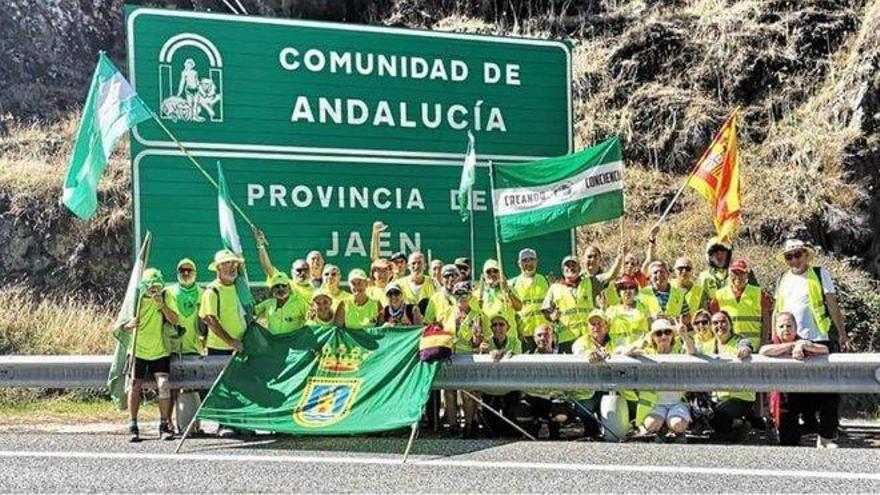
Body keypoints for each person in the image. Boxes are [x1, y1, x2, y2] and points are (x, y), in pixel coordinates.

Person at [760, 312, 835, 448]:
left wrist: (804, 346)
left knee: (831, 396)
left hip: (807, 394)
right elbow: (764, 350)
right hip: (786, 398)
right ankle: (801, 430)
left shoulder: (804, 342)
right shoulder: (774, 345)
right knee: (788, 442)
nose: (785, 329)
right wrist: (792, 346)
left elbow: (825, 349)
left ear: (796, 328)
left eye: (789, 326)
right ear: (776, 330)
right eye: (781, 326)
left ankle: (825, 437)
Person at [125, 268, 179, 441]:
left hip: (160, 349)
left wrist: (161, 305)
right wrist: (129, 324)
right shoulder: (136, 298)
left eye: (157, 285)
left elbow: (174, 320)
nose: (153, 289)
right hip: (138, 349)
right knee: (134, 384)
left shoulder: (165, 297)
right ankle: (133, 424)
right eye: (150, 285)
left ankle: (164, 424)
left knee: (163, 384)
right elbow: (121, 324)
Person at [628, 317, 696, 443]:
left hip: (677, 402)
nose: (663, 336)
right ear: (653, 338)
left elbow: (692, 352)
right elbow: (627, 353)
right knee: (651, 425)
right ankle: (662, 427)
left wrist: (684, 336)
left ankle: (676, 430)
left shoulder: (679, 351)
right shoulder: (647, 352)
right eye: (658, 333)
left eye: (667, 332)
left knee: (678, 425)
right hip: (655, 404)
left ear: (672, 336)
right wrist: (642, 342)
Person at [773, 239, 848, 350]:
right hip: (789, 341)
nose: (794, 259)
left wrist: (842, 333)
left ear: (806, 254)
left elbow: (833, 305)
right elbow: (776, 311)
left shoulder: (820, 273)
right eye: (789, 257)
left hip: (816, 338)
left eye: (798, 255)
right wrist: (775, 338)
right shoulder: (782, 278)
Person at [163, 258, 204, 436]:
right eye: (182, 271)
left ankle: (196, 424)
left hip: (194, 345)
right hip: (172, 345)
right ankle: (169, 422)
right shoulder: (168, 292)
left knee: (196, 386)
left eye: (189, 270)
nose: (186, 273)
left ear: (195, 273)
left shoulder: (203, 293)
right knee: (172, 387)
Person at [441, 281, 487, 436]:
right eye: (457, 294)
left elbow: (479, 343)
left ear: (470, 295)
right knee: (449, 392)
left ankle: (468, 426)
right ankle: (452, 426)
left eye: (464, 294)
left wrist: (477, 337)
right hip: (450, 357)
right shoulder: (448, 312)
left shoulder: (477, 315)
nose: (461, 297)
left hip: (468, 357)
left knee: (467, 393)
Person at [707, 310, 755, 443]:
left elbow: (746, 344)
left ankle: (742, 425)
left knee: (715, 416)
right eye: (715, 323)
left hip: (741, 396)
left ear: (730, 324)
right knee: (707, 415)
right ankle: (736, 427)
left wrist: (745, 349)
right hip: (720, 396)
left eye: (723, 321)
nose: (720, 325)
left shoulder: (739, 340)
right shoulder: (710, 344)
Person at [570, 311, 619, 439]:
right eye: (592, 324)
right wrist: (590, 353)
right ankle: (591, 430)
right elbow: (578, 350)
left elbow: (621, 350)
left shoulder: (615, 340)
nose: (596, 327)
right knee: (585, 406)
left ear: (606, 326)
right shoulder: (581, 341)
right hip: (588, 390)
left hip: (610, 388)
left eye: (599, 324)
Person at [542, 255, 605, 353]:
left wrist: (619, 259)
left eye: (574, 265)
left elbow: (610, 276)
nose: (570, 268)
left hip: (588, 338)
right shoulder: (555, 287)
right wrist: (552, 316)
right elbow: (545, 310)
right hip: (566, 340)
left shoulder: (590, 283)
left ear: (579, 269)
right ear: (563, 270)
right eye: (567, 266)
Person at [711, 259, 771, 348]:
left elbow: (766, 319)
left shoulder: (758, 293)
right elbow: (713, 322)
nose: (738, 277)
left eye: (741, 273)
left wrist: (764, 342)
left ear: (747, 275)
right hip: (729, 347)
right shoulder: (719, 295)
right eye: (734, 273)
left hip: (754, 346)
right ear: (729, 274)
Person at [199, 249, 248, 356]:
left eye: (234, 263)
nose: (232, 267)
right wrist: (230, 341)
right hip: (219, 348)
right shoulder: (212, 291)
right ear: (218, 268)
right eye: (226, 263)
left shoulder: (239, 288)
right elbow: (210, 321)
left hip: (241, 345)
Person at [510, 249, 549, 352]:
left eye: (532, 259)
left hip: (544, 334)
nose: (529, 263)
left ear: (537, 261)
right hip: (524, 335)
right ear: (519, 264)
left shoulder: (545, 280)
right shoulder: (513, 284)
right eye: (525, 260)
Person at [476, 259, 522, 344]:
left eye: (495, 271)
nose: (492, 274)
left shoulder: (510, 289)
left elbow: (519, 307)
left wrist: (507, 291)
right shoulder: (478, 293)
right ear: (484, 275)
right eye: (488, 272)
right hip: (489, 341)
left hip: (510, 339)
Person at [606, 274, 651, 349]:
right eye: (623, 288)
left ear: (636, 291)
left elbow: (651, 331)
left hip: (640, 354)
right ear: (618, 292)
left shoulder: (645, 309)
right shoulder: (610, 311)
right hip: (617, 355)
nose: (627, 291)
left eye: (631, 287)